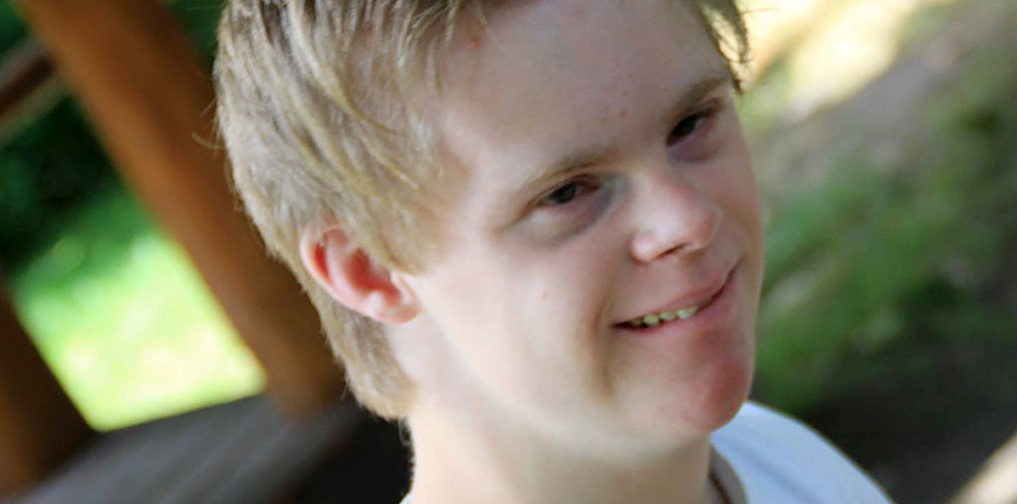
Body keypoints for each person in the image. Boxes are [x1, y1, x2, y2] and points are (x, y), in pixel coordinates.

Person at [215, 1, 892, 502]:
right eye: (566, 193)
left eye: (691, 123)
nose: (687, 219)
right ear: (371, 269)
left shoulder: (783, 463)